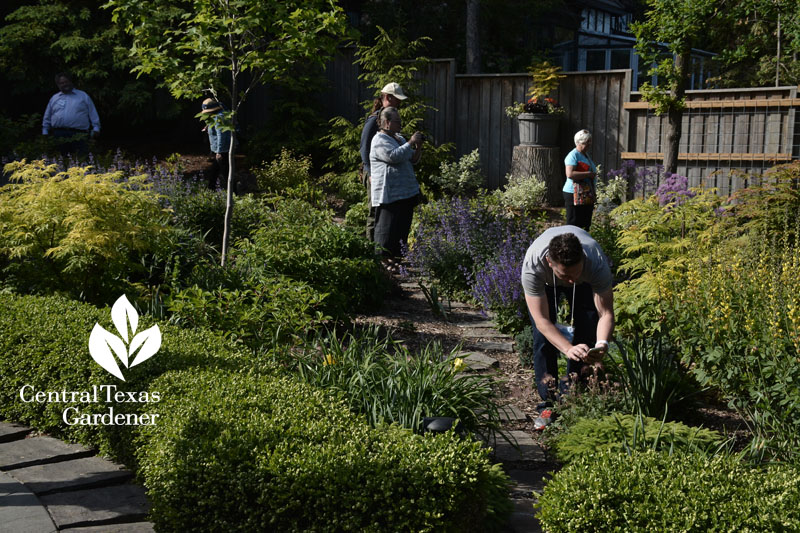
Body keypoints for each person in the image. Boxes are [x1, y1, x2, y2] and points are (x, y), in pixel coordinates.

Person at [521, 225, 615, 429]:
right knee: (543, 340)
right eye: (566, 276)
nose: (571, 280)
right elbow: (542, 321)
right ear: (549, 262)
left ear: (583, 260)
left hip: (586, 281)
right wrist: (566, 348)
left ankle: (572, 394)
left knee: (586, 330)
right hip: (547, 283)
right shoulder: (533, 266)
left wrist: (602, 344)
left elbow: (606, 313)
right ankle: (548, 403)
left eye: (575, 273)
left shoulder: (595, 263)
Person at [369, 106, 424, 270]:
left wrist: (418, 146)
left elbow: (411, 159)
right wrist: (410, 142)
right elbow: (393, 157)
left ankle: (394, 258)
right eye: (397, 121)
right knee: (386, 229)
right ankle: (383, 260)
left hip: (405, 193)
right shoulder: (379, 140)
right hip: (389, 193)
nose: (400, 124)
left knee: (401, 228)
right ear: (386, 122)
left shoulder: (398, 138)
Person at [360, 82, 408, 241]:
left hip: (385, 174)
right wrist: (370, 172)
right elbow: (364, 147)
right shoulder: (374, 120)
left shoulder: (388, 117)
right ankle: (372, 250)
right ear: (387, 98)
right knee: (375, 211)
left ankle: (382, 250)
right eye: (397, 99)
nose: (399, 103)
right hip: (374, 173)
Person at [42, 73, 101, 157]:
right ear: (58, 85)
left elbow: (92, 112)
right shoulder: (54, 98)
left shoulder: (83, 96)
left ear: (70, 82)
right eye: (61, 83)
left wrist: (96, 128)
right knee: (60, 161)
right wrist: (45, 131)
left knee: (81, 160)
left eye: (66, 82)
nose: (64, 84)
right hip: (59, 134)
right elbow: (47, 115)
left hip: (79, 134)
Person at [563, 129, 597, 231]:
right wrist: (588, 174)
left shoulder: (585, 155)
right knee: (573, 224)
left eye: (590, 141)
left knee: (585, 224)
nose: (589, 144)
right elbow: (570, 174)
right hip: (573, 193)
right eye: (587, 142)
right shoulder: (573, 155)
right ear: (579, 142)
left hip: (585, 192)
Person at [200, 98, 232, 191]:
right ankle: (211, 188)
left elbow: (221, 135)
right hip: (219, 149)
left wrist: (219, 151)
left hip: (223, 150)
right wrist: (208, 127)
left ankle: (234, 193)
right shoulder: (217, 115)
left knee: (226, 172)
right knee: (215, 170)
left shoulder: (219, 118)